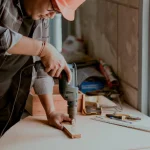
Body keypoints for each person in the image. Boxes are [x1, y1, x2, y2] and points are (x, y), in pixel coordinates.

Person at [0, 0, 85, 136]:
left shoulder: (40, 18)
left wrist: (51, 112)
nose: (51, 16)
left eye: (56, 12)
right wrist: (44, 49)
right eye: (53, 8)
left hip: (5, 102)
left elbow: (40, 66)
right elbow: (2, 38)